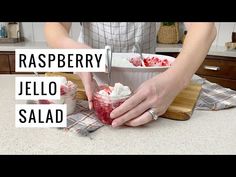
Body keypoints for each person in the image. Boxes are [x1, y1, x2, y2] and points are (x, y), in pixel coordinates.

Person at [44, 22, 216, 127]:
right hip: (93, 80)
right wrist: (73, 50)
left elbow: (205, 27)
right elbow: (54, 25)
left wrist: (177, 79)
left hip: (151, 87)